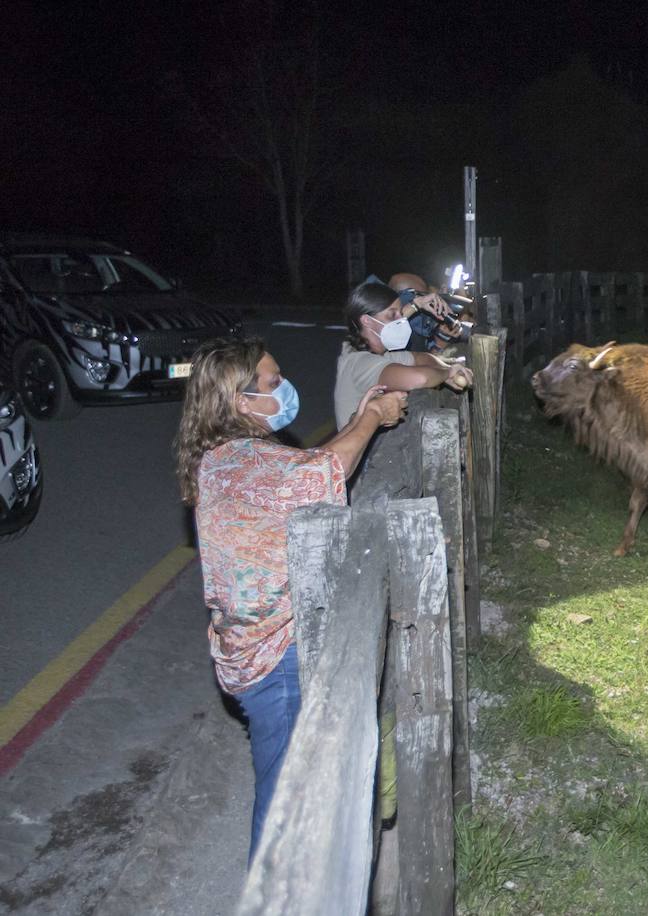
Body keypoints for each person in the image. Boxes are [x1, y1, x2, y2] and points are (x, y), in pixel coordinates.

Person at [173, 336, 408, 861]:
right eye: (274, 383)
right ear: (240, 401)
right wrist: (373, 421)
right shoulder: (243, 462)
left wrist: (361, 416)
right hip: (273, 658)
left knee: (294, 786)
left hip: (258, 649)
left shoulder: (232, 457)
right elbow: (323, 473)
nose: (286, 389)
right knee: (286, 801)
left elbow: (311, 466)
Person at [336, 280, 475, 429]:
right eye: (392, 315)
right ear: (367, 321)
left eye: (401, 313)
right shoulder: (361, 362)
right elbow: (420, 378)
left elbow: (422, 358)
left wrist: (444, 369)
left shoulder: (381, 353)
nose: (401, 321)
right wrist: (448, 372)